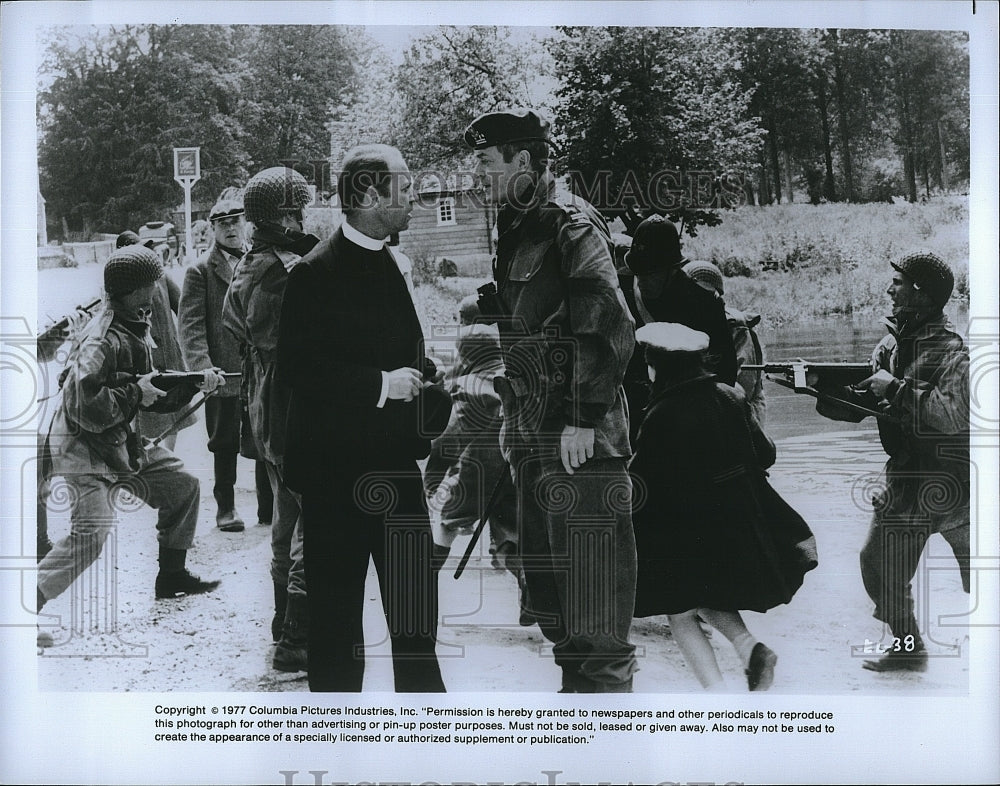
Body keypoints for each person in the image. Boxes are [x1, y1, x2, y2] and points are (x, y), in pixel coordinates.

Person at [465, 108, 638, 693]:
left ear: (524, 160)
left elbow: (608, 323)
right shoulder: (519, 223)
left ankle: (608, 724)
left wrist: (584, 418)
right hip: (534, 432)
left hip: (577, 436)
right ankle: (578, 705)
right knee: (553, 593)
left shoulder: (570, 223)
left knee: (594, 594)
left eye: (486, 162)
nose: (478, 175)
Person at [277, 144, 447, 693]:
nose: (414, 198)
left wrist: (425, 370)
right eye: (405, 186)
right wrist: (382, 384)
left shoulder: (392, 260)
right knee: (336, 633)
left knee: (417, 623)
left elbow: (390, 347)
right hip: (334, 480)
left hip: (397, 473)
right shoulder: (312, 272)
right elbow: (300, 371)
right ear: (371, 195)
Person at [37, 245, 224, 646]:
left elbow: (151, 386)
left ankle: (171, 576)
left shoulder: (135, 321)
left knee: (183, 486)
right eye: (153, 280)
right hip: (82, 449)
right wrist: (135, 394)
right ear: (135, 289)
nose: (159, 285)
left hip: (118, 441)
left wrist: (197, 381)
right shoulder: (100, 339)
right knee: (91, 533)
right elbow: (85, 404)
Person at [630, 322, 817, 691]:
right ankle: (751, 649)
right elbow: (766, 454)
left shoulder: (660, 412)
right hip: (739, 522)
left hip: (690, 529)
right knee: (705, 595)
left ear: (656, 367)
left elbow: (642, 482)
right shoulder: (730, 395)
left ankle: (715, 694)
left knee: (680, 609)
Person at [814, 251, 969, 673]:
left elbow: (953, 415)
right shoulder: (890, 345)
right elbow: (864, 406)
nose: (889, 289)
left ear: (920, 291)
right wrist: (819, 391)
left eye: (898, 281)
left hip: (956, 484)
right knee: (879, 565)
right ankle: (907, 647)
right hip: (905, 477)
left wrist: (895, 389)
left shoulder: (954, 351)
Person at [222, 167, 317, 673]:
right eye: (299, 209)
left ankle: (283, 626)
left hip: (267, 403)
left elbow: (233, 324)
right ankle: (297, 639)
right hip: (292, 404)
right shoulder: (283, 269)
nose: (305, 217)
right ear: (284, 214)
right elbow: (296, 342)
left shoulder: (248, 262)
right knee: (312, 522)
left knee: (285, 518)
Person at [179, 194, 274, 533]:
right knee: (224, 443)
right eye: (223, 223)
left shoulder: (257, 260)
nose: (231, 228)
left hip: (257, 372)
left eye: (236, 221)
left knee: (264, 437)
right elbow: (190, 326)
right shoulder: (200, 271)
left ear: (245, 223)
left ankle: (269, 508)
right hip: (221, 374)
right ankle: (227, 509)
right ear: (213, 229)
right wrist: (203, 367)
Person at [624, 216, 738, 387]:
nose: (641, 282)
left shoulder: (704, 305)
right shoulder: (626, 296)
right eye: (638, 274)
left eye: (651, 274)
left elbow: (725, 371)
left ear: (673, 271)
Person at [115, 231, 195, 452]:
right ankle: (150, 462)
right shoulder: (119, 285)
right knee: (148, 416)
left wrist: (187, 342)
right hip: (144, 360)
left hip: (169, 354)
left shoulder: (160, 275)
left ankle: (167, 457)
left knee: (173, 412)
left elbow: (183, 308)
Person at [683, 259, 767, 425]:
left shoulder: (736, 327)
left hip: (744, 416)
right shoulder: (686, 324)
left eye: (702, 294)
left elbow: (743, 388)